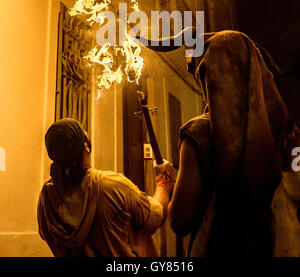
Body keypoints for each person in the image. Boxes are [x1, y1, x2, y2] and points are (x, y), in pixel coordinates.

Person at [167, 30, 300, 257]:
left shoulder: (199, 132)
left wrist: (170, 187)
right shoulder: (286, 130)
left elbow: (180, 221)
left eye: (198, 71)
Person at [38, 118, 174, 257]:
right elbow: (157, 217)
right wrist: (163, 182)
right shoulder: (113, 186)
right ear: (86, 146)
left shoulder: (46, 196)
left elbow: (45, 234)